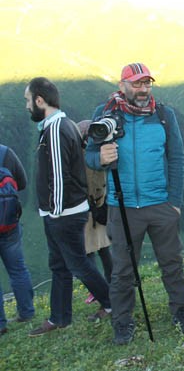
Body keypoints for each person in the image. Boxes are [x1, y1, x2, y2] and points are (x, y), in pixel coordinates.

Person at [85, 63, 184, 345]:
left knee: (172, 263)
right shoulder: (105, 114)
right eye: (136, 83)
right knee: (123, 270)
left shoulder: (163, 114)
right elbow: (88, 155)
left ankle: (182, 312)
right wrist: (100, 159)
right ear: (122, 85)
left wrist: (174, 203)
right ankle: (123, 322)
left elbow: (178, 159)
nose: (143, 89)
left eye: (147, 83)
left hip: (160, 204)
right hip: (120, 206)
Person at [24, 77, 111, 337]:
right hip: (66, 211)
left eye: (29, 100)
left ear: (40, 100)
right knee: (61, 265)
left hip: (64, 213)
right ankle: (59, 318)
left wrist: (55, 211)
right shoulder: (62, 125)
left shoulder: (55, 129)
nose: (27, 106)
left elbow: (60, 176)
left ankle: (112, 303)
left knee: (78, 265)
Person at [0, 144, 35, 336]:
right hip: (9, 222)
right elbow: (21, 183)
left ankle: (0, 324)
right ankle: (27, 312)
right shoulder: (6, 152)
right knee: (17, 268)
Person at [77, 120, 113, 305]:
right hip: (98, 206)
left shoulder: (84, 156)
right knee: (102, 249)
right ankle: (108, 284)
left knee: (89, 251)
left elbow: (95, 182)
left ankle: (100, 287)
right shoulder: (97, 153)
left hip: (89, 208)